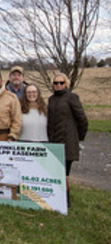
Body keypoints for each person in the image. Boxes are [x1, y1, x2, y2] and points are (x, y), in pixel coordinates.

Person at [48, 73, 88, 206]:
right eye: (55, 83)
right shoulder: (51, 99)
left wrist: (78, 137)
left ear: (66, 84)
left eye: (61, 83)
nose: (58, 85)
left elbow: (82, 120)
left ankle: (66, 201)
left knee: (64, 173)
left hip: (68, 142)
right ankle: (56, 197)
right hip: (54, 142)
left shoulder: (72, 97)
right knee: (55, 172)